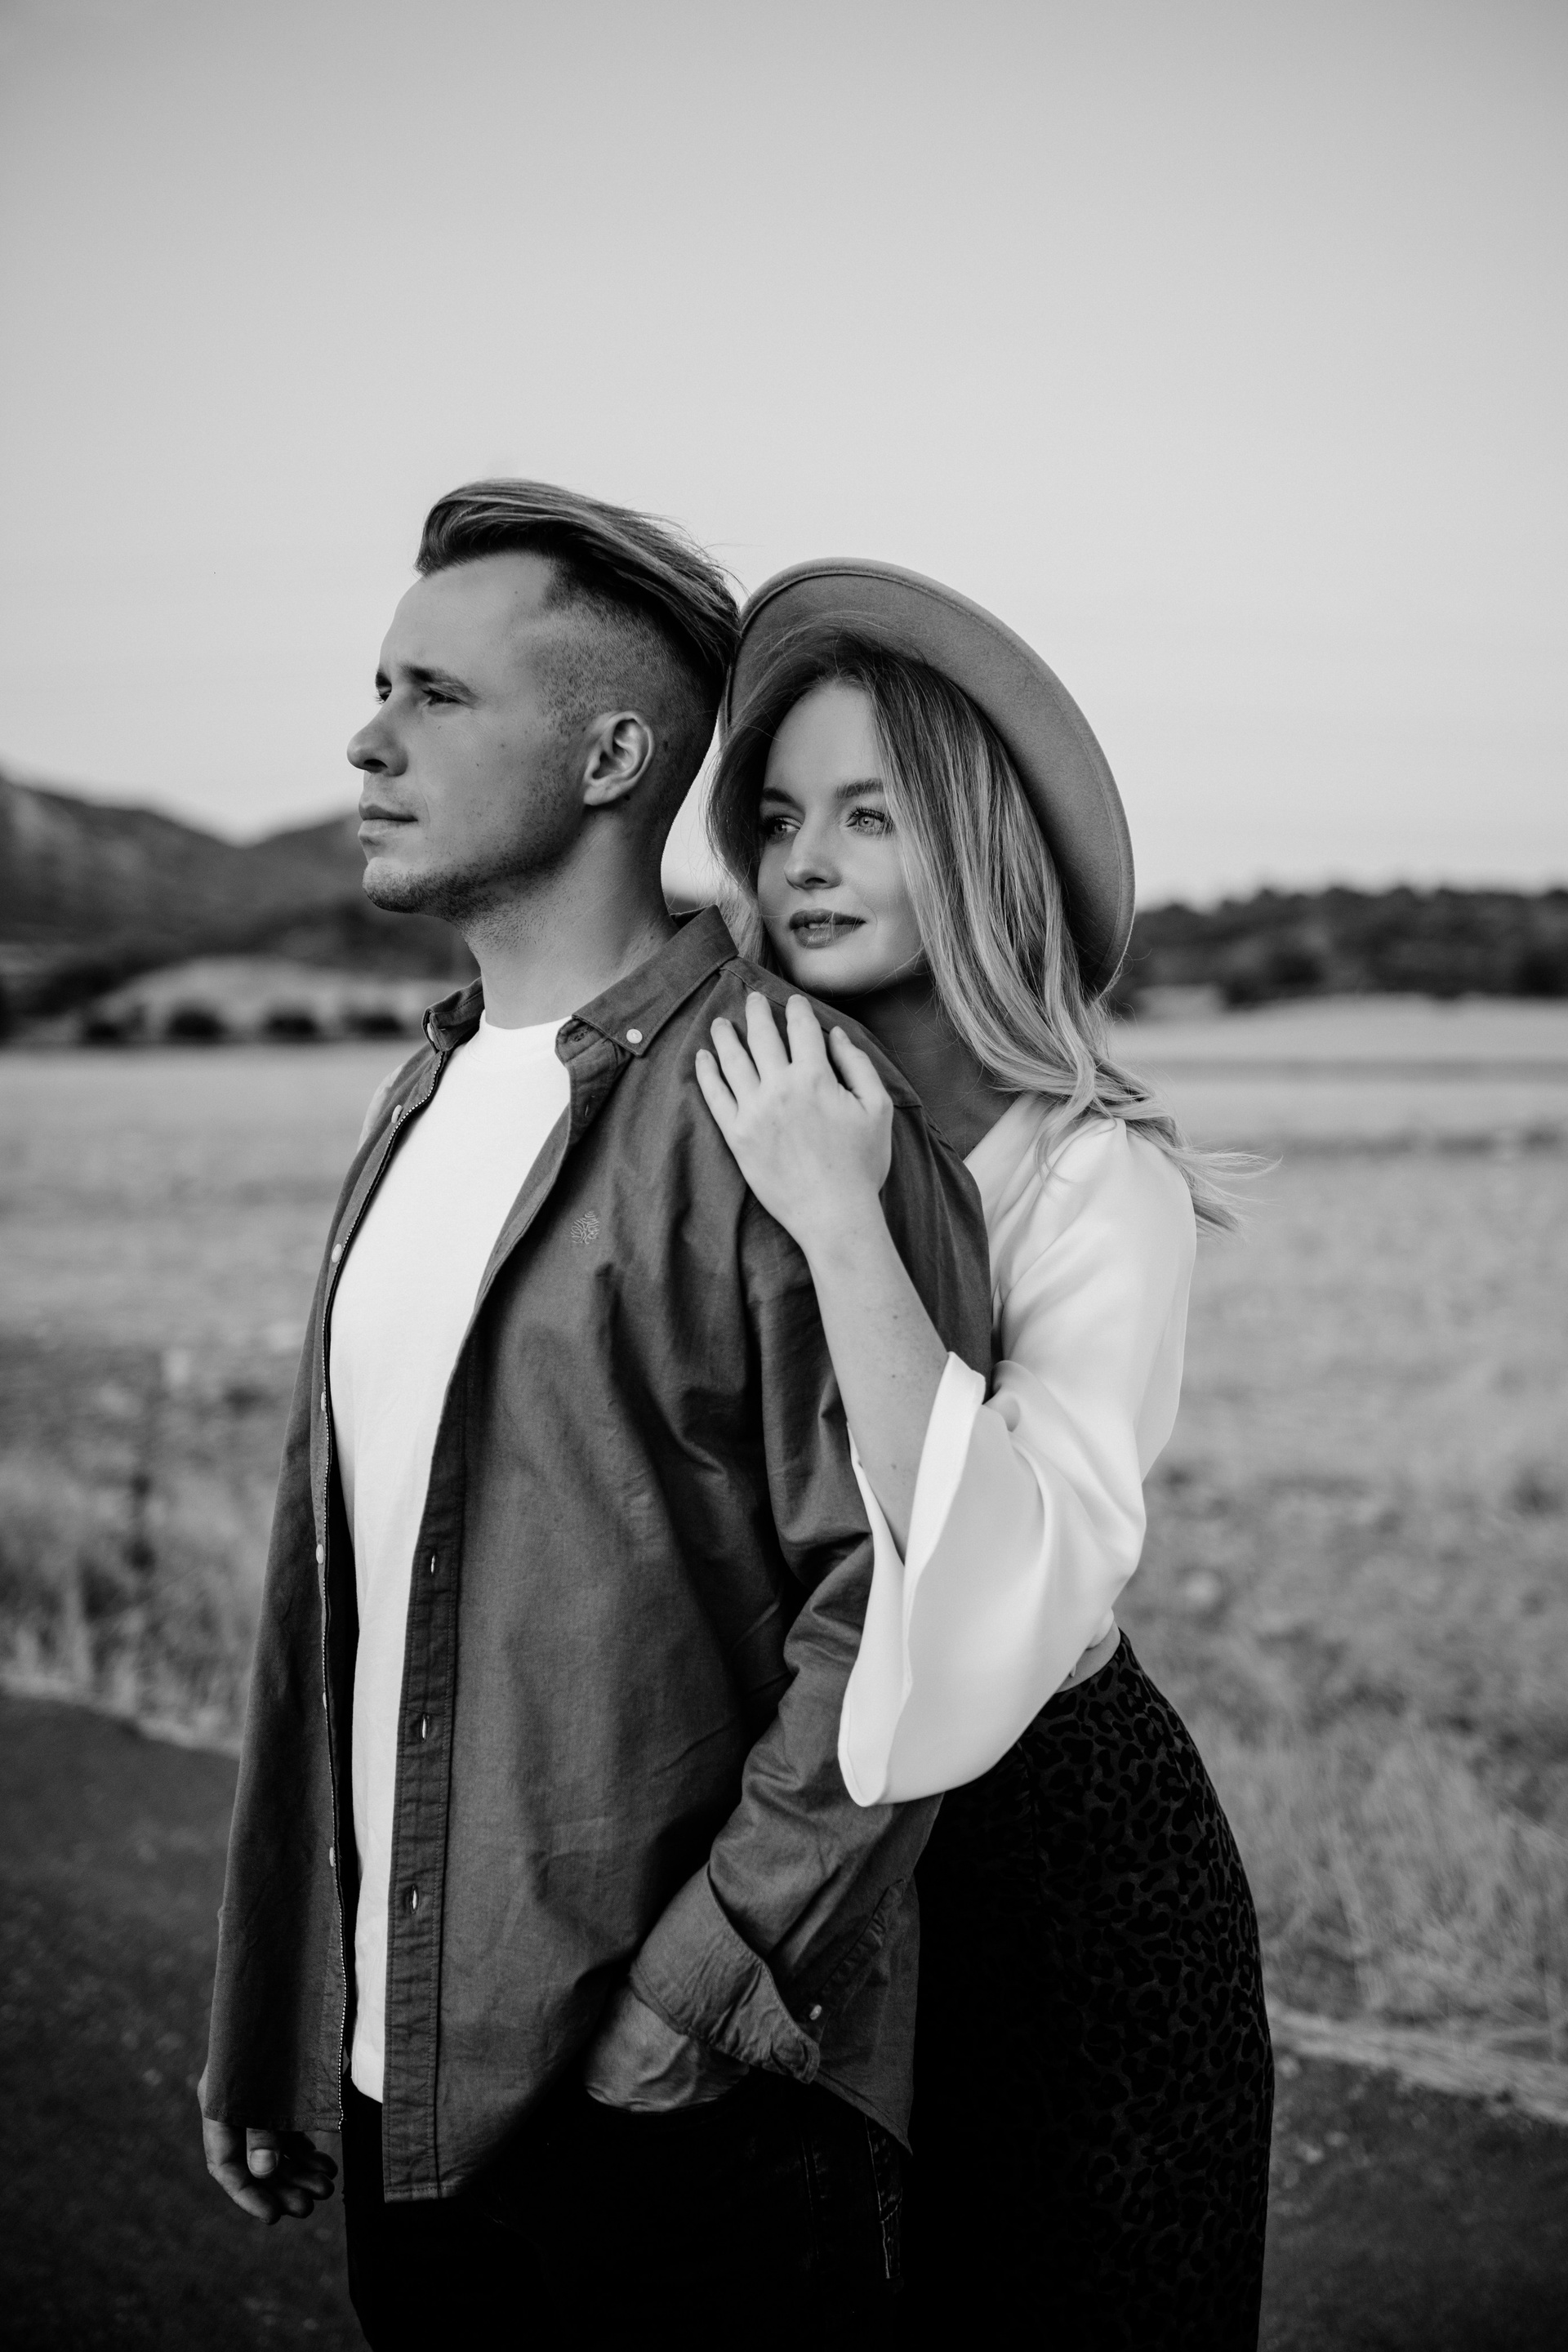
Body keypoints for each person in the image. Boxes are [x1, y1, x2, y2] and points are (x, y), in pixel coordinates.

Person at [197, 494, 992, 2349]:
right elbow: (343, 1608)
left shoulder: (791, 1107)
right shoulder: (417, 1100)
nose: (367, 740)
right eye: (379, 685)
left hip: (679, 2125)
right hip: (408, 2080)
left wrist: (688, 2003)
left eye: (436, 695)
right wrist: (280, 2007)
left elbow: (914, 1598)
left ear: (614, 756)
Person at [694, 559, 1274, 2348]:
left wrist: (843, 1221)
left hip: (1055, 1865)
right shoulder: (727, 1120)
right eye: (778, 817)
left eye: (870, 816)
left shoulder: (1097, 1178)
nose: (806, 862)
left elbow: (1010, 1572)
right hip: (798, 1829)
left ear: (971, 846)